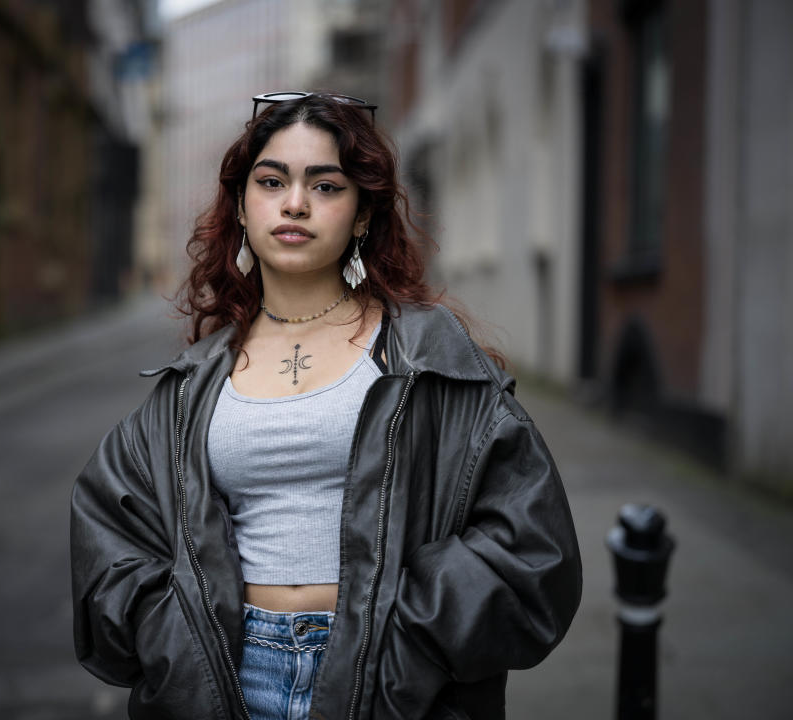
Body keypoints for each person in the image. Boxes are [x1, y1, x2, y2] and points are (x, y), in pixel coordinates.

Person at [70, 91, 582, 720]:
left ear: (362, 214)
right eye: (271, 180)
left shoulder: (427, 355)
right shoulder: (193, 381)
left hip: (388, 686)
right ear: (241, 204)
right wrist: (173, 638)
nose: (295, 203)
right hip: (227, 683)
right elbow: (110, 533)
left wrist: (407, 635)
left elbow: (530, 546)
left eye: (326, 185)